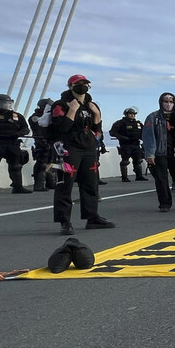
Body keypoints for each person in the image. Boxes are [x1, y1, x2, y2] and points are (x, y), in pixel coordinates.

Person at [49, 75, 114, 233]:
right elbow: (61, 128)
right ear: (70, 86)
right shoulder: (60, 105)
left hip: (89, 149)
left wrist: (97, 115)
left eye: (85, 83)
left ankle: (92, 217)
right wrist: (72, 110)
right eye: (79, 84)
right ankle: (64, 221)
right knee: (65, 185)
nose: (83, 86)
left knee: (91, 185)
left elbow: (97, 130)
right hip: (69, 149)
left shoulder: (91, 105)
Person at [0, 93, 32, 196]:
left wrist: (19, 133)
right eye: (4, 103)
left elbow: (25, 128)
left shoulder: (16, 116)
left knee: (16, 166)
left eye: (9, 103)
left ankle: (18, 187)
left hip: (12, 143)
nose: (7, 105)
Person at [109, 107, 148, 183]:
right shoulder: (120, 123)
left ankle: (139, 176)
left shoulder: (138, 123)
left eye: (133, 114)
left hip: (136, 144)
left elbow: (144, 133)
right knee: (125, 162)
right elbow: (112, 132)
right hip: (125, 145)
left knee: (138, 160)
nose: (132, 115)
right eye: (130, 114)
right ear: (126, 114)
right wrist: (122, 137)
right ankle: (124, 177)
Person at [28, 97, 57, 192]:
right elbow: (38, 130)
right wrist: (44, 142)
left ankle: (50, 183)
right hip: (41, 143)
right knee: (42, 163)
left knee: (50, 162)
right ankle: (38, 185)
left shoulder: (50, 116)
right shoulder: (36, 117)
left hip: (51, 142)